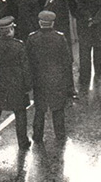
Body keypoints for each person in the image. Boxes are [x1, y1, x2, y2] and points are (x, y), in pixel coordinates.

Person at [0, 16, 31, 149]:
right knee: (20, 114)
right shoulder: (19, 46)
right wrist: (28, 86)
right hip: (17, 85)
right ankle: (23, 142)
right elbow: (25, 68)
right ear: (10, 30)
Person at [26, 11, 74, 143]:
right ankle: (60, 134)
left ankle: (37, 136)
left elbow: (28, 59)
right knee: (57, 108)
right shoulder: (60, 37)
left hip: (39, 79)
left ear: (40, 23)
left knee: (40, 109)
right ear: (52, 23)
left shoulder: (32, 38)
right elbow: (67, 60)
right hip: (56, 78)